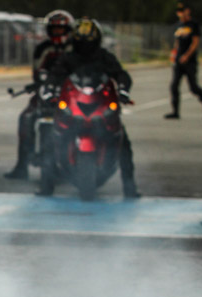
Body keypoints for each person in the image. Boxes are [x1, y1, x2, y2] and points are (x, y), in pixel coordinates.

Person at [44, 17, 139, 198]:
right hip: (75, 106)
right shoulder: (68, 58)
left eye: (88, 39)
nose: (85, 44)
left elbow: (121, 74)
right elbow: (54, 75)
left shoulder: (104, 57)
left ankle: (130, 187)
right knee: (50, 137)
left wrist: (123, 90)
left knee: (123, 142)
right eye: (81, 39)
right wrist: (48, 90)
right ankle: (45, 187)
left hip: (100, 105)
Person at [4, 10, 74, 181]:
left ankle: (78, 163)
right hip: (46, 93)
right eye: (54, 29)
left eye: (61, 29)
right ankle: (22, 166)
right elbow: (37, 71)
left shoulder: (76, 49)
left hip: (71, 96)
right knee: (26, 118)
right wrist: (41, 82)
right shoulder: (42, 48)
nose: (57, 32)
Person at [165, 2, 202, 120]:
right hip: (178, 60)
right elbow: (177, 42)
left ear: (188, 11)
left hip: (190, 61)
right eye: (179, 11)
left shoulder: (194, 24)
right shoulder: (178, 25)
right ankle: (175, 111)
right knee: (174, 86)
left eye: (183, 11)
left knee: (193, 87)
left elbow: (195, 42)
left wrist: (186, 56)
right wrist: (174, 54)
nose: (180, 13)